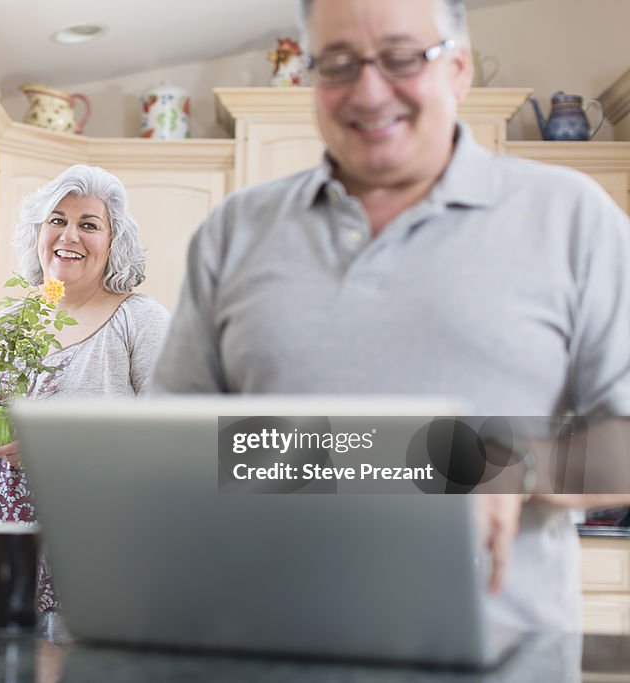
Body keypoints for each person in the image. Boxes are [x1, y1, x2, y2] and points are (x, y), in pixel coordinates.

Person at [151, 0, 630, 631]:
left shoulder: (572, 217)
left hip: (495, 660)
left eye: (402, 58)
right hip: (265, 647)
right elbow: (168, 449)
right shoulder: (235, 230)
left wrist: (517, 463)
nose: (369, 92)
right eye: (338, 64)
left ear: (458, 68)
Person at [0, 164, 170, 612]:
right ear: (38, 234)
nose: (69, 236)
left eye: (88, 225)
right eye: (57, 221)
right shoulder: (9, 326)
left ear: (113, 242)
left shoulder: (140, 322)